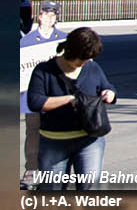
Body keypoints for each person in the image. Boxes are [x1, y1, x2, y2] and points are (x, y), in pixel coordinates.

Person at [27, 27, 116, 191]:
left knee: (90, 190)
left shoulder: (92, 68)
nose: (83, 63)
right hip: (53, 142)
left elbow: (107, 86)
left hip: (90, 141)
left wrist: (109, 93)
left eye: (87, 59)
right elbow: (35, 102)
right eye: (81, 59)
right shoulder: (44, 70)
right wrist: (68, 100)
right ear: (70, 51)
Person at [20, 1, 66, 189]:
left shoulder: (63, 40)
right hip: (32, 95)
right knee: (33, 132)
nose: (49, 17)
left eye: (53, 14)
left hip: (56, 96)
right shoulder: (26, 42)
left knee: (59, 134)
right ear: (39, 16)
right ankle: (31, 170)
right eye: (46, 13)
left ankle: (56, 172)